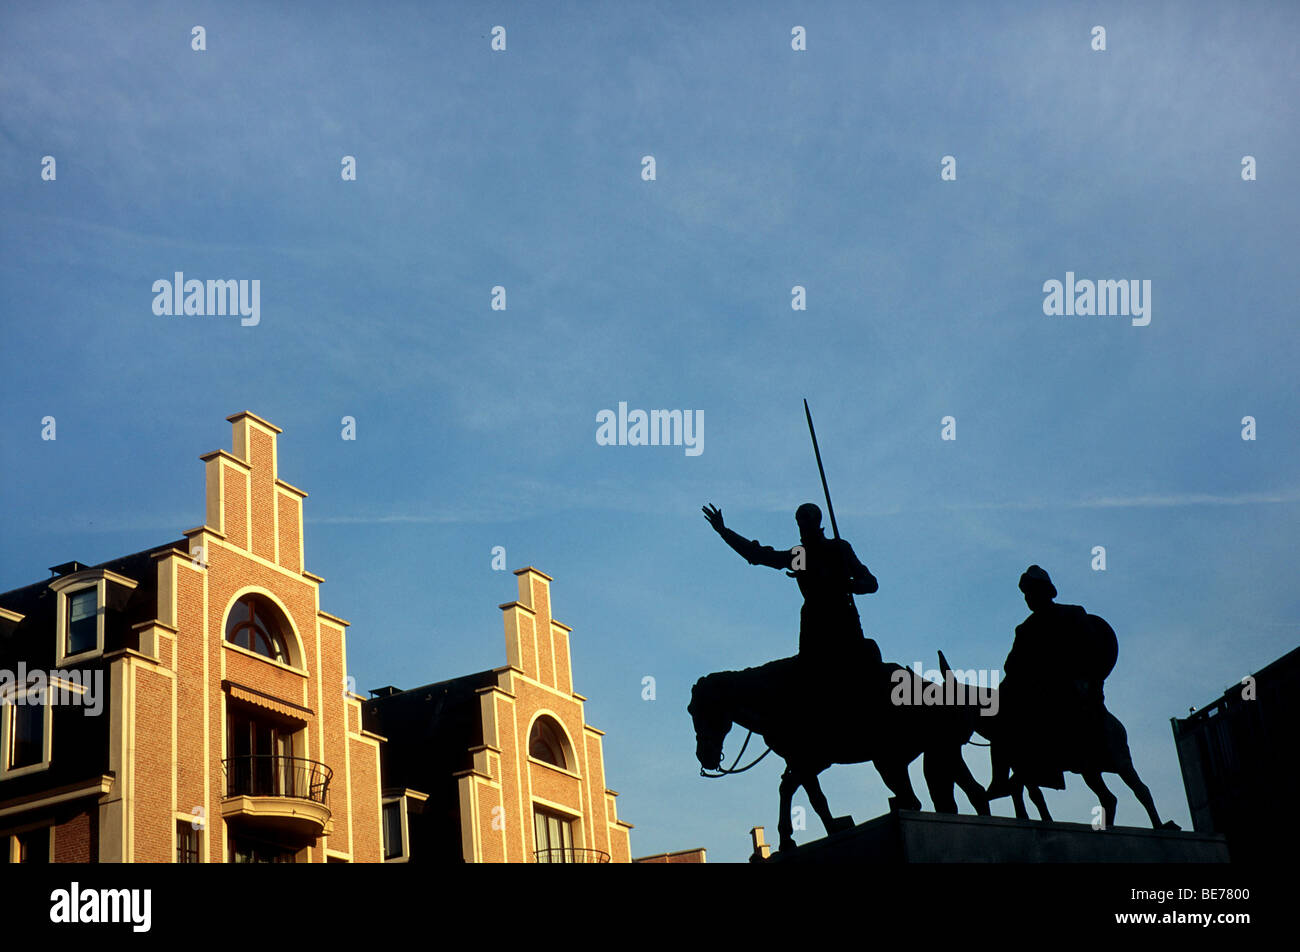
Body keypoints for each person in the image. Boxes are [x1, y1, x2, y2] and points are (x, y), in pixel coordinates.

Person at [701, 502, 880, 669]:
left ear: (815, 522)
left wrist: (848, 585)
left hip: (843, 623)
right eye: (799, 522)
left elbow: (871, 583)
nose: (802, 527)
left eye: (805, 521)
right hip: (814, 628)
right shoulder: (800, 556)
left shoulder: (838, 548)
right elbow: (758, 555)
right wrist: (724, 531)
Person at [989, 565, 1112, 795]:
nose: (1028, 598)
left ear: (1046, 591)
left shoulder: (1073, 614)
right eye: (1026, 594)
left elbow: (1093, 651)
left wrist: (1086, 682)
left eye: (1032, 591)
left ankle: (1039, 767)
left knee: (1047, 713)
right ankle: (1000, 779)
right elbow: (1011, 666)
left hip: (1069, 692)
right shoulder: (1024, 629)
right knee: (999, 713)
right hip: (1034, 691)